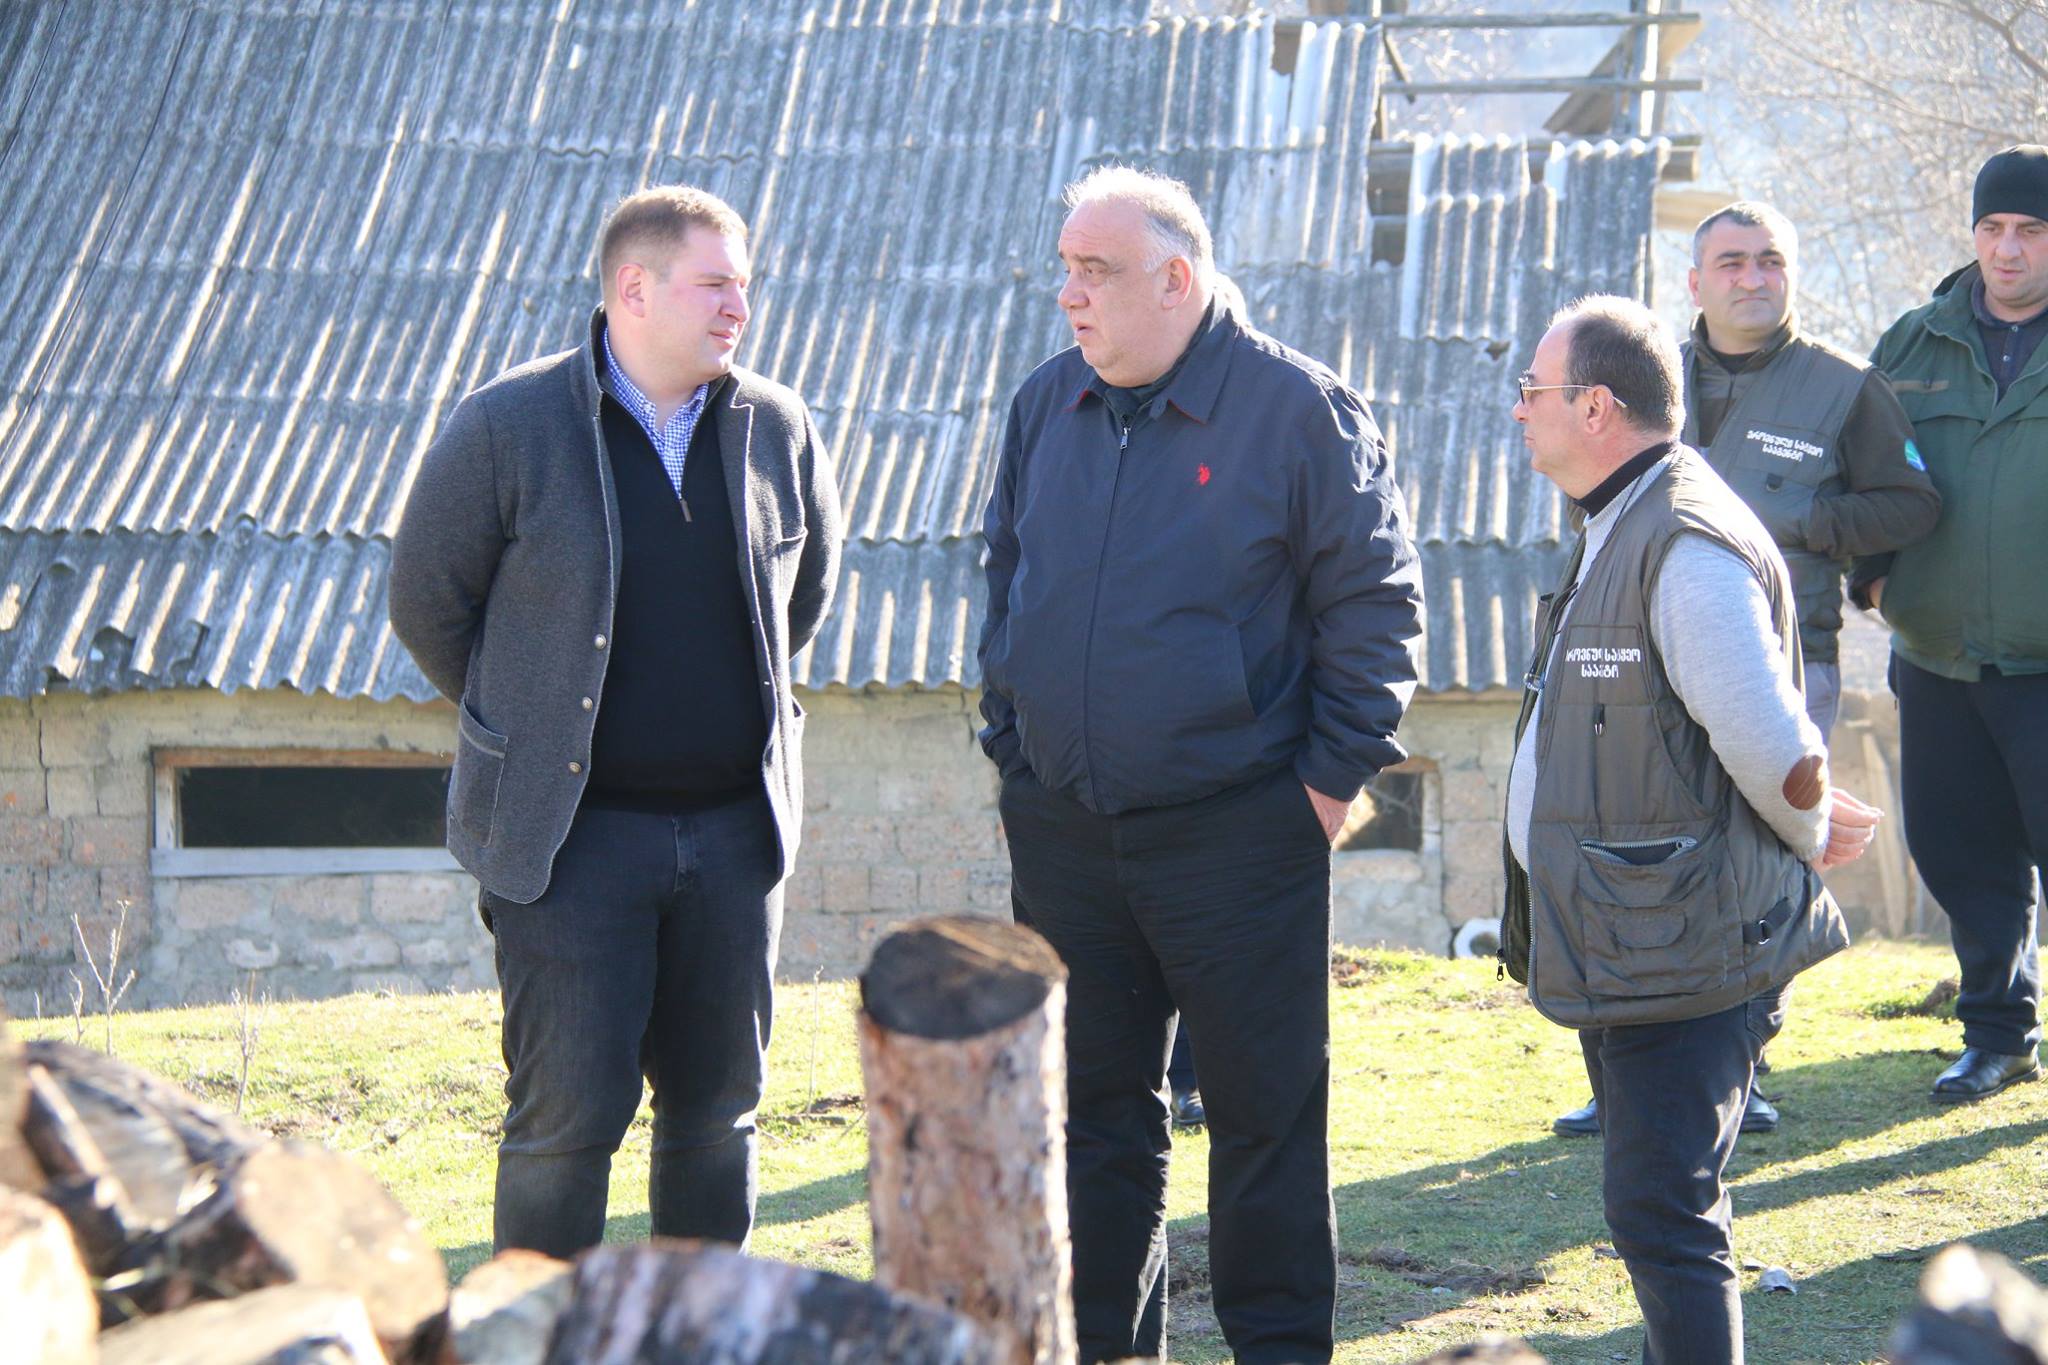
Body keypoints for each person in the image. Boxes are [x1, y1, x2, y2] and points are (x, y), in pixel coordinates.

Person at [978, 165, 1424, 1365]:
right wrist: (1011, 749)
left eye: (1095, 271)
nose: (1068, 295)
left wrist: (1319, 793)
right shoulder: (1044, 404)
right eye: (1064, 269)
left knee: (1262, 1122)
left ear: (1174, 279)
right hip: (1066, 833)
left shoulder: (1295, 410)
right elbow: (1004, 575)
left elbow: (1376, 610)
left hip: (1240, 834)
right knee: (1088, 1122)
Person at [388, 185, 842, 1257]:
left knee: (716, 1121)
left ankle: (696, 1330)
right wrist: (529, 726)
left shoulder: (776, 425)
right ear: (634, 288)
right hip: (569, 844)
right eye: (715, 284)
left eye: (744, 285)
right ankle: (544, 1329)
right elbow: (426, 603)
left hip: (734, 839)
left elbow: (806, 593)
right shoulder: (507, 425)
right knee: (564, 1128)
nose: (740, 306)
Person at [1499, 294, 1878, 1365]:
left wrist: (1810, 825)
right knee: (1656, 1208)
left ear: (1596, 407)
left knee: (1664, 1211)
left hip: (1686, 947)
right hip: (1636, 936)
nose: (1518, 409)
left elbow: (1765, 736)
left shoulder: (1682, 540)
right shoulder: (1623, 516)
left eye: (1533, 390)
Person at [1550, 202, 1938, 1140]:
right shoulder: (1646, 372)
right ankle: (1626, 1065)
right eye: (1731, 262)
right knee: (1631, 848)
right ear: (1695, 281)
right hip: (1635, 657)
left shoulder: (1844, 387)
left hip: (1787, 654)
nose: (1752, 277)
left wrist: (1804, 522)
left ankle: (1744, 1065)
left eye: (1770, 261)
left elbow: (1911, 502)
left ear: (1791, 275)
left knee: (1765, 850)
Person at [1860, 144, 2048, 1103]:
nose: (2007, 250)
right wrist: (1872, 584)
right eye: (1992, 228)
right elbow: (1858, 471)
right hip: (1937, 656)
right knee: (1959, 853)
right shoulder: (1913, 343)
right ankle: (1999, 1034)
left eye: (2031, 230)